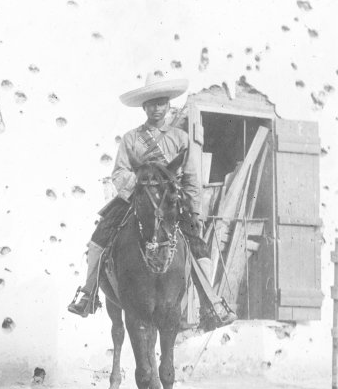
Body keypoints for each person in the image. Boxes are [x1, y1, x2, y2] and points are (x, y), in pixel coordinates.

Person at [67, 72, 235, 327]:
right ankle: (88, 294)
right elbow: (120, 172)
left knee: (198, 246)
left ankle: (210, 303)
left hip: (169, 202)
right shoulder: (131, 139)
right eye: (151, 103)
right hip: (136, 199)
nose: (156, 108)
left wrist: (194, 212)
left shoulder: (181, 139)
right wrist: (142, 185)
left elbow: (190, 178)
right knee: (98, 240)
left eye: (161, 103)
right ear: (144, 107)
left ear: (168, 105)